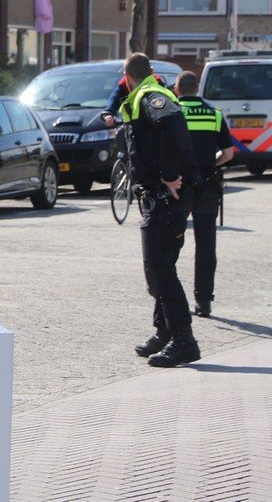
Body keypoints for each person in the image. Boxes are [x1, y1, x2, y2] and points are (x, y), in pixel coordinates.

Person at [119, 53, 202, 367]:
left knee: (160, 269)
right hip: (164, 195)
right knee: (160, 266)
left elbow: (171, 124)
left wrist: (168, 175)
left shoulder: (150, 97)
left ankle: (184, 341)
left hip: (167, 195)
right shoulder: (147, 94)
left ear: (127, 77)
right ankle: (164, 331)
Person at [173, 71, 234, 319]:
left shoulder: (173, 112)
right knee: (206, 245)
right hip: (207, 185)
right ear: (197, 88)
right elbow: (228, 154)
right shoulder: (214, 114)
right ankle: (204, 302)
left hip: (178, 186)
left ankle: (169, 297)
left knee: (170, 243)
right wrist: (210, 165)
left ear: (177, 89)